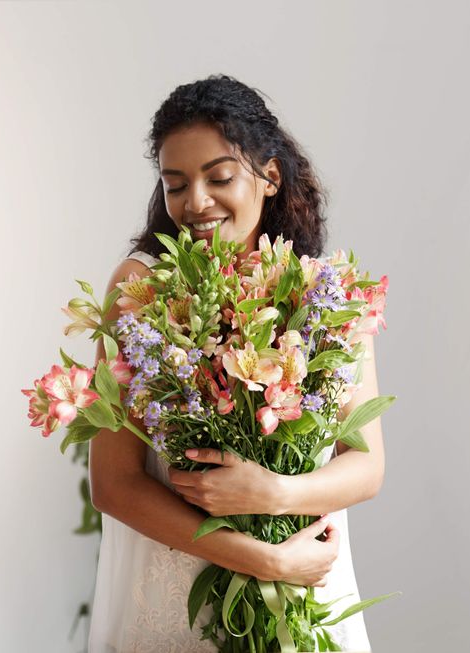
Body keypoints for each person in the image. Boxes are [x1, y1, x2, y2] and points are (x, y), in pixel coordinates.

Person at [87, 74, 386, 653]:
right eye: (176, 184)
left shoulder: (326, 294)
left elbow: (366, 466)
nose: (195, 202)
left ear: (269, 176)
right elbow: (114, 484)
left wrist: (272, 494)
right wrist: (264, 561)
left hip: (304, 591)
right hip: (182, 594)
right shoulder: (141, 289)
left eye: (218, 177)